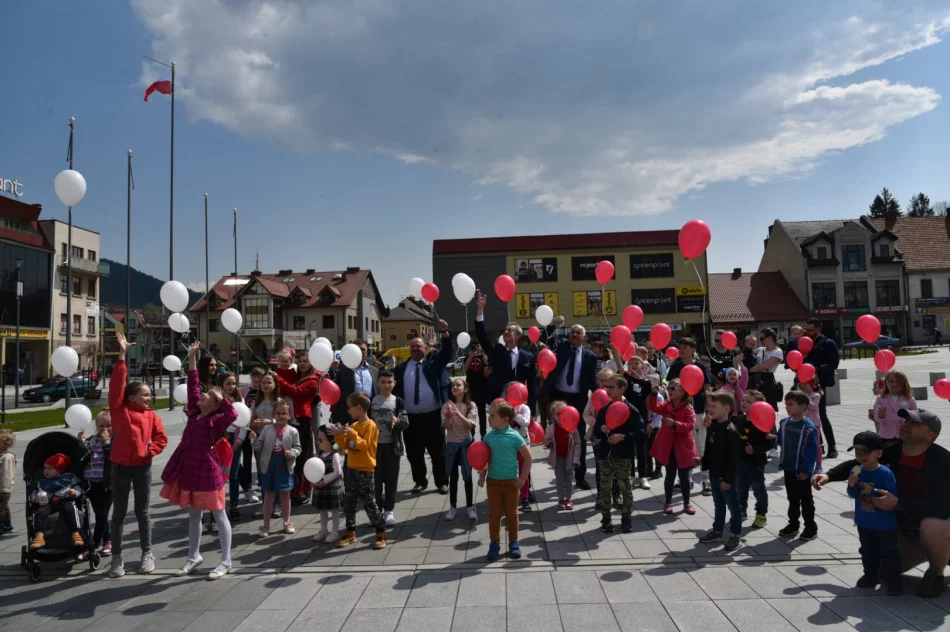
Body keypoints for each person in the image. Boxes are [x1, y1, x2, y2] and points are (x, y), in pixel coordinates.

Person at [815, 408, 950, 597]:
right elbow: (860, 464)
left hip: (934, 527)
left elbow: (944, 508)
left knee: (934, 526)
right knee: (883, 570)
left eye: (914, 423)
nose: (905, 425)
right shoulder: (893, 449)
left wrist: (898, 504)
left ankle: (936, 575)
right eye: (905, 420)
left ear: (931, 435)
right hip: (904, 530)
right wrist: (828, 475)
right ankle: (930, 552)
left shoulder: (943, 461)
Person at [160, 340, 238, 580]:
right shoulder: (195, 412)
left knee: (218, 513)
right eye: (204, 395)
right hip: (189, 468)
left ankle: (226, 560)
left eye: (206, 396)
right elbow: (193, 385)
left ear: (213, 404)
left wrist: (222, 397)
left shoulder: (215, 421)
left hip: (207, 469)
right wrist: (193, 358)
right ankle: (193, 556)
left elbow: (232, 413)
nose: (201, 395)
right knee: (194, 515)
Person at [108, 331, 168, 578]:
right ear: (131, 396)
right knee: (119, 514)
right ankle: (117, 559)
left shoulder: (151, 416)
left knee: (143, 512)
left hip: (142, 467)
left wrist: (148, 451)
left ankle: (147, 553)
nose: (149, 397)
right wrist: (122, 355)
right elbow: (116, 385)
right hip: (120, 467)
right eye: (145, 394)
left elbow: (162, 439)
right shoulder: (119, 409)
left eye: (149, 394)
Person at [394, 320, 453, 494]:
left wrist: (445, 333)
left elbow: (447, 352)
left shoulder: (433, 364)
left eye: (418, 347)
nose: (415, 349)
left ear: (425, 349)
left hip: (433, 416)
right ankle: (420, 481)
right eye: (412, 347)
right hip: (410, 418)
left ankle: (442, 482)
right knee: (414, 453)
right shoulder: (400, 369)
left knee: (438, 451)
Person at [542, 323, 598, 491]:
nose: (574, 334)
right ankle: (562, 475)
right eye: (572, 332)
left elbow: (592, 380)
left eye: (578, 332)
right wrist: (554, 324)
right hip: (560, 398)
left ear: (584, 337)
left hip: (579, 399)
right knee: (560, 437)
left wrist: (598, 400)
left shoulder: (590, 356)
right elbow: (547, 337)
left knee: (579, 438)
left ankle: (580, 478)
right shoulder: (561, 348)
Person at [846, 430, 902, 595]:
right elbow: (852, 495)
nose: (861, 455)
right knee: (867, 551)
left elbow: (892, 496)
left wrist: (874, 491)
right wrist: (851, 485)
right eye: (858, 452)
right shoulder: (856, 469)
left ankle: (894, 581)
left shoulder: (885, 473)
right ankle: (870, 576)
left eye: (866, 452)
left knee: (889, 552)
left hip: (885, 523)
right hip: (864, 521)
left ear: (879, 453)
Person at [330, 392, 388, 549]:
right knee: (348, 502)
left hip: (366, 470)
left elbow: (363, 446)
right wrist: (338, 436)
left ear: (359, 407)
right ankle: (350, 532)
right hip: (352, 468)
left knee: (369, 502)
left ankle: (381, 533)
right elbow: (347, 447)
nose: (348, 411)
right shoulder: (354, 426)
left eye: (349, 408)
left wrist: (352, 434)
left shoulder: (370, 426)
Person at [480, 400, 533, 561]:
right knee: (494, 515)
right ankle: (494, 543)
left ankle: (514, 542)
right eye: (489, 415)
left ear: (505, 419)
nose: (489, 419)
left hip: (511, 482)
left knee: (512, 514)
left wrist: (523, 478)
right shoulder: (488, 437)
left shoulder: (515, 436)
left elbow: (528, 457)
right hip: (493, 482)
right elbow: (483, 458)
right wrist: (482, 475)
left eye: (493, 416)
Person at [475, 291, 538, 415]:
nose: (506, 332)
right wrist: (480, 310)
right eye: (505, 330)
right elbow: (482, 337)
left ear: (518, 336)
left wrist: (532, 411)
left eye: (510, 330)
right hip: (498, 402)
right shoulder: (496, 352)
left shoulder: (528, 357)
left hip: (519, 405)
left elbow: (532, 385)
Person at [594, 375, 643, 534]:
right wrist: (601, 430)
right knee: (605, 487)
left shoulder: (631, 410)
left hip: (623, 455)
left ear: (622, 389)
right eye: (606, 387)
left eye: (611, 387)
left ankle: (626, 518)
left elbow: (641, 434)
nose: (607, 390)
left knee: (625, 486)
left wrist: (623, 437)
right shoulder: (604, 409)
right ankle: (606, 518)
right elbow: (596, 431)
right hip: (605, 454)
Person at [666, 337, 714, 495]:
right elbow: (670, 388)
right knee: (685, 447)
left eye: (685, 347)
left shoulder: (700, 366)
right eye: (679, 347)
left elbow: (707, 389)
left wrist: (710, 411)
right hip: (680, 413)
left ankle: (706, 479)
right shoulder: (676, 366)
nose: (681, 350)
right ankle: (687, 478)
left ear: (693, 350)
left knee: (701, 446)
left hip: (699, 411)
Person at [697, 391, 742, 551]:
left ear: (726, 408)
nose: (709, 409)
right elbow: (709, 449)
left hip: (726, 477)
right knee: (719, 504)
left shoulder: (731, 431)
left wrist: (728, 480)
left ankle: (736, 534)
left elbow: (734, 459)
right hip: (715, 474)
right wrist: (704, 463)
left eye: (713, 406)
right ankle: (717, 530)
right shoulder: (713, 426)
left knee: (733, 505)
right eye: (708, 406)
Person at [777, 390, 821, 541]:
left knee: (806, 499)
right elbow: (779, 439)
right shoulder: (785, 423)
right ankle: (793, 524)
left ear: (803, 406)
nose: (787, 407)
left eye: (791, 404)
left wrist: (806, 470)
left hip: (801, 470)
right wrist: (770, 438)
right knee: (792, 498)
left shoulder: (808, 427)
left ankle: (810, 527)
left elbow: (811, 451)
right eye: (786, 404)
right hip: (789, 467)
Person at [275, 351, 319, 504]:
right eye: (299, 361)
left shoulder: (313, 380)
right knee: (289, 456)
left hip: (303, 422)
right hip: (290, 421)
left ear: (311, 364)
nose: (301, 364)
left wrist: (277, 379)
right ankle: (289, 489)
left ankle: (302, 491)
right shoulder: (296, 377)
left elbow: (295, 392)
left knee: (302, 457)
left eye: (305, 361)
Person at [649, 378, 698, 515]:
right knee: (669, 475)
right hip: (669, 446)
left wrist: (675, 424)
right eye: (668, 388)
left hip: (683, 447)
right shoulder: (666, 405)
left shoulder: (688, 408)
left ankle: (687, 503)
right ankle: (668, 502)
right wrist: (653, 395)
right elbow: (653, 407)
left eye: (673, 388)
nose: (669, 391)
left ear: (682, 392)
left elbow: (690, 426)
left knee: (684, 477)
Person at [254, 399, 301, 537]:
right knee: (268, 496)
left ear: (289, 416)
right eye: (278, 413)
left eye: (284, 413)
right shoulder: (267, 429)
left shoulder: (293, 431)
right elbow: (258, 447)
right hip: (268, 465)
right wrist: (254, 439)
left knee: (285, 496)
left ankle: (287, 522)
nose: (281, 416)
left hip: (284, 465)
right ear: (273, 415)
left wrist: (292, 453)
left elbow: (298, 448)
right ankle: (266, 525)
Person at [371, 369, 408, 526]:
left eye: (389, 382)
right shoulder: (371, 401)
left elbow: (405, 423)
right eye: (383, 382)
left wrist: (397, 422)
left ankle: (389, 511)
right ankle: (377, 511)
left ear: (394, 383)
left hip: (393, 448)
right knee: (376, 482)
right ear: (378, 383)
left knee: (391, 480)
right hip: (374, 448)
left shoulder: (398, 402)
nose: (386, 385)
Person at [734, 390, 774, 528]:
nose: (743, 403)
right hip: (740, 461)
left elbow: (770, 442)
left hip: (756, 463)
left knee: (759, 489)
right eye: (743, 400)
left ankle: (761, 514)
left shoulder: (763, 423)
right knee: (741, 488)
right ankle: (742, 511)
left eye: (748, 401)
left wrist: (755, 450)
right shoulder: (739, 419)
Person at [29, 453, 83, 550]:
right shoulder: (41, 481)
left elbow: (78, 489)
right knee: (40, 512)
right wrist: (35, 498)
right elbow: (34, 493)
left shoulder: (69, 478)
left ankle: (75, 533)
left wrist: (74, 492)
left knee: (70, 509)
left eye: (50, 468)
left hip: (64, 501)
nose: (46, 471)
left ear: (59, 469)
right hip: (47, 503)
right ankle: (39, 536)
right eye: (45, 468)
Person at [802, 318, 840, 458]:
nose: (807, 332)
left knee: (821, 415)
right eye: (806, 330)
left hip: (820, 383)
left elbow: (833, 363)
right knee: (809, 415)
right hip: (805, 384)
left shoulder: (827, 343)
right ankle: (819, 446)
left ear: (818, 329)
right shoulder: (806, 343)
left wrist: (816, 370)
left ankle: (832, 447)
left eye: (810, 330)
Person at [442, 378, 478, 520]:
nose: (455, 387)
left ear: (465, 389)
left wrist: (457, 412)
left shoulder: (471, 405)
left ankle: (470, 506)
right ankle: (453, 507)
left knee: (467, 476)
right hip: (451, 444)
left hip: (465, 445)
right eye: (453, 386)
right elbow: (446, 427)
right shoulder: (446, 405)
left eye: (458, 385)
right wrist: (448, 417)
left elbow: (470, 425)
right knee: (453, 477)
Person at [586, 368, 620, 509]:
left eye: (608, 381)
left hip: (615, 437)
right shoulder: (594, 396)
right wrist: (597, 423)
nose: (604, 384)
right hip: (598, 437)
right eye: (601, 381)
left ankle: (616, 496)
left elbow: (625, 413)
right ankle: (601, 496)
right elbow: (586, 414)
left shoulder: (619, 397)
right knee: (600, 468)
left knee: (616, 467)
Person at [216, 372, 247, 521]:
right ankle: (217, 506)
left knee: (233, 475)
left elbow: (244, 421)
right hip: (220, 440)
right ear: (221, 384)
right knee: (218, 475)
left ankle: (233, 505)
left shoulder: (239, 399)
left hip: (235, 439)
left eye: (234, 383)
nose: (231, 386)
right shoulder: (216, 400)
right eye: (228, 383)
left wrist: (238, 441)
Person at [84, 411, 113, 556]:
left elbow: (112, 457)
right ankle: (108, 541)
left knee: (102, 515)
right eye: (101, 426)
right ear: (96, 426)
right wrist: (81, 443)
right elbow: (83, 457)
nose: (105, 429)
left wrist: (107, 442)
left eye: (109, 425)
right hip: (91, 482)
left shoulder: (114, 440)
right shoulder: (92, 440)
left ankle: (94, 545)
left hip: (107, 484)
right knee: (99, 514)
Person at [623, 355, 654, 489]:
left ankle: (642, 476)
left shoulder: (647, 383)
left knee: (642, 449)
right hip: (627, 418)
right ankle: (630, 476)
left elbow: (648, 404)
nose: (634, 365)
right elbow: (619, 365)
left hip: (641, 419)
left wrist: (648, 422)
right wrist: (618, 352)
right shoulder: (626, 379)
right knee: (629, 448)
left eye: (637, 363)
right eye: (631, 363)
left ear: (643, 366)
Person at [544, 401, 581, 510]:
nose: (560, 416)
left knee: (568, 479)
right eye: (557, 414)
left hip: (569, 458)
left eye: (563, 413)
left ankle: (568, 499)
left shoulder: (572, 428)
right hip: (558, 458)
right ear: (553, 415)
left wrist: (576, 459)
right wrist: (547, 441)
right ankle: (561, 499)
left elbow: (577, 444)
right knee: (559, 479)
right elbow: (547, 440)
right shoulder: (551, 428)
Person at [332, 339, 379, 423]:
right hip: (347, 415)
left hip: (368, 415)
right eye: (357, 349)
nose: (359, 352)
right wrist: (332, 370)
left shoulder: (374, 371)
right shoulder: (341, 369)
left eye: (362, 349)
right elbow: (332, 384)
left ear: (367, 352)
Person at [312, 426, 345, 543]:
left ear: (330, 441)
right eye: (318, 439)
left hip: (332, 488)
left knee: (335, 510)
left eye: (321, 439)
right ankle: (323, 529)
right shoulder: (319, 454)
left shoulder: (335, 455)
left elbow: (337, 471)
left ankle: (335, 532)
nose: (318, 442)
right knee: (323, 510)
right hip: (321, 488)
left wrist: (324, 480)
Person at [239, 367, 265, 504]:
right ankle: (248, 488)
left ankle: (262, 484)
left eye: (259, 376)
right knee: (247, 459)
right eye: (254, 376)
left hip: (259, 429)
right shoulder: (243, 391)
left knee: (261, 459)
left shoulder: (265, 392)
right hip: (245, 429)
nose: (256, 379)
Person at [748, 328, 785, 412]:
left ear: (770, 338)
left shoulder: (778, 351)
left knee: (768, 407)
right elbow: (748, 354)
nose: (760, 341)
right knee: (755, 405)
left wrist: (750, 370)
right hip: (756, 379)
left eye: (762, 338)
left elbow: (766, 366)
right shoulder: (760, 349)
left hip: (767, 380)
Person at [874, 371, 916, 440]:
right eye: (891, 381)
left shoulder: (909, 399)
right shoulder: (881, 398)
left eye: (897, 381)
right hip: (885, 435)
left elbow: (914, 416)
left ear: (903, 383)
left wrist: (906, 421)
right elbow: (877, 419)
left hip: (903, 435)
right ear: (887, 383)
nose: (894, 384)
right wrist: (881, 415)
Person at [463, 342, 490, 437]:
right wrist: (470, 357)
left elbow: (486, 374)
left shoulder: (484, 357)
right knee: (470, 412)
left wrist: (486, 363)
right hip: (470, 389)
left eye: (478, 345)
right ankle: (471, 433)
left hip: (481, 389)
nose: (476, 348)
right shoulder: (468, 356)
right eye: (474, 346)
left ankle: (483, 433)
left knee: (482, 412)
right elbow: (465, 370)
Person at [0, 429, 14, 535]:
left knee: (1, 507)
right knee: (4, 506)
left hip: (3, 487)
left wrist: (5, 489)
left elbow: (7, 474)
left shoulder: (7, 457)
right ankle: (7, 524)